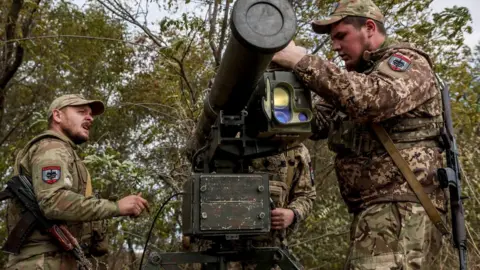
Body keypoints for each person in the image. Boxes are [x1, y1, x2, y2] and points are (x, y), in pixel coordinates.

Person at [272, 0, 446, 269]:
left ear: (369, 28)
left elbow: (371, 99)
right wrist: (282, 73)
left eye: (341, 36)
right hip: (375, 213)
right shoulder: (354, 82)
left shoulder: (407, 64)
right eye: (332, 39)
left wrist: (302, 61)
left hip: (402, 211)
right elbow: (312, 123)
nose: (335, 46)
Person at [5, 94, 150, 269]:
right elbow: (54, 201)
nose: (90, 118)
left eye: (90, 114)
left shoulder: (65, 152)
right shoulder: (52, 148)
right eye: (81, 112)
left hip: (56, 260)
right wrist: (116, 207)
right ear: (57, 116)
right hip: (42, 261)